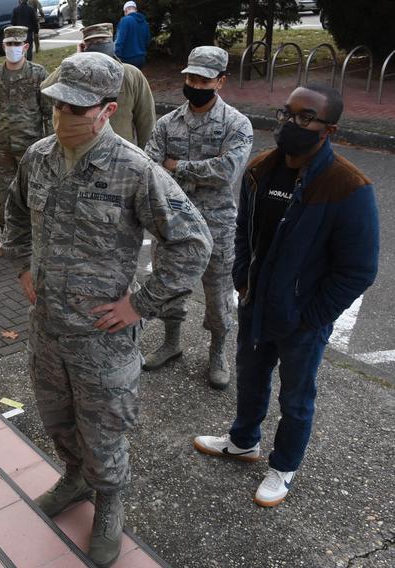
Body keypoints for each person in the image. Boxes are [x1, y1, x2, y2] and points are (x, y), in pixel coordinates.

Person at [4, 52, 212, 566]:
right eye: (56, 106)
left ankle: (109, 503)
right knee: (57, 418)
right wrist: (23, 267)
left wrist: (142, 304)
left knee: (105, 428)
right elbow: (13, 213)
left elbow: (191, 242)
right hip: (48, 330)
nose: (62, 118)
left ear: (106, 109)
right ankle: (75, 479)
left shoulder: (134, 169)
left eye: (75, 109)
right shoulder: (39, 157)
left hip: (102, 337)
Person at [193, 84, 379, 507]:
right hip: (255, 303)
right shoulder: (260, 169)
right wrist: (243, 279)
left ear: (327, 129)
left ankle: (284, 466)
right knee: (251, 377)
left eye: (304, 117)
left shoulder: (348, 187)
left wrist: (311, 315)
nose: (290, 123)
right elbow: (244, 232)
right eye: (286, 113)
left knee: (296, 396)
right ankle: (242, 442)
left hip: (302, 320)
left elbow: (358, 270)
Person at [143, 46, 254, 389]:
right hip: (172, 223)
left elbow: (227, 172)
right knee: (168, 286)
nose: (194, 84)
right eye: (190, 77)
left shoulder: (237, 124)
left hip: (216, 225)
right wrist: (180, 169)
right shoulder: (166, 123)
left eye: (203, 79)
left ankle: (218, 352)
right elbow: (149, 168)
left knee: (219, 296)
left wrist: (177, 166)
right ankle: (172, 343)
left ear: (220, 81)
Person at [0, 26, 51, 259]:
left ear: (26, 46)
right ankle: (6, 239)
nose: (12, 48)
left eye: (16, 44)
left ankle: (35, 242)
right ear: (3, 46)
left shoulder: (39, 74)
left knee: (35, 196)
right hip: (2, 150)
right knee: (4, 196)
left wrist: (52, 148)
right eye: (8, 44)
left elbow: (49, 113)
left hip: (32, 150)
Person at [41, 23, 156, 147]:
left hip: (118, 153)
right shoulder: (77, 75)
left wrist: (146, 156)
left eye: (102, 42)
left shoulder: (130, 74)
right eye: (94, 43)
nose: (99, 48)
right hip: (81, 149)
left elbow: (146, 121)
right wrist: (75, 61)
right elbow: (45, 91)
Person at [115, 1, 149, 68]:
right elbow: (147, 40)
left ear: (126, 10)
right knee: (136, 78)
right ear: (135, 10)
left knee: (127, 78)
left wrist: (116, 56)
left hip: (127, 59)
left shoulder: (125, 20)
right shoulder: (144, 22)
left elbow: (119, 40)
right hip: (141, 58)